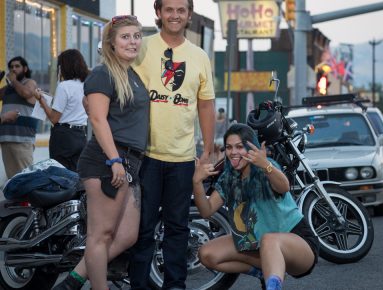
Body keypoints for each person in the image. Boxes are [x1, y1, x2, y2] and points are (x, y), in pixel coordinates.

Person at [53, 15, 149, 290]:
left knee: (127, 235)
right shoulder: (102, 73)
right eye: (125, 36)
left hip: (131, 161)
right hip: (107, 160)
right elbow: (97, 119)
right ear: (111, 42)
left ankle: (73, 279)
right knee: (101, 235)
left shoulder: (133, 75)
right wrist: (115, 160)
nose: (133, 42)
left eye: (136, 36)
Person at [129, 0, 216, 289]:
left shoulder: (200, 56)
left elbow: (205, 105)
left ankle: (175, 285)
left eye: (181, 10)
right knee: (142, 229)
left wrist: (207, 149)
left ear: (189, 15)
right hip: (145, 155)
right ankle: (139, 284)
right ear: (158, 13)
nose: (175, 15)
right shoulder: (141, 48)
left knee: (178, 228)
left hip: (182, 158)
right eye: (169, 9)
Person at [192, 123, 319, 290]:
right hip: (259, 247)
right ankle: (262, 271)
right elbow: (206, 210)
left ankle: (272, 286)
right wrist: (197, 182)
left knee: (269, 239)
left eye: (239, 147)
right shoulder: (228, 178)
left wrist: (265, 165)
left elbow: (284, 187)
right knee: (206, 254)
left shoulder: (266, 167)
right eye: (229, 147)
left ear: (251, 147)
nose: (233, 152)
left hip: (298, 244)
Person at [34, 49, 89, 171]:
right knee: (77, 175)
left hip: (63, 136)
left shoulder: (64, 86)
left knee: (60, 175)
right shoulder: (86, 85)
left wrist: (41, 100)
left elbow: (54, 118)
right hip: (81, 134)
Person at [0, 56, 38, 179]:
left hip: (23, 139)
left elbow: (26, 93)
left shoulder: (30, 83)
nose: (13, 69)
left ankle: (28, 199)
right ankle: (17, 199)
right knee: (12, 180)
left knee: (26, 178)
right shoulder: (8, 88)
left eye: (17, 66)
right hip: (6, 139)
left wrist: (14, 81)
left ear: (25, 69)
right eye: (11, 67)